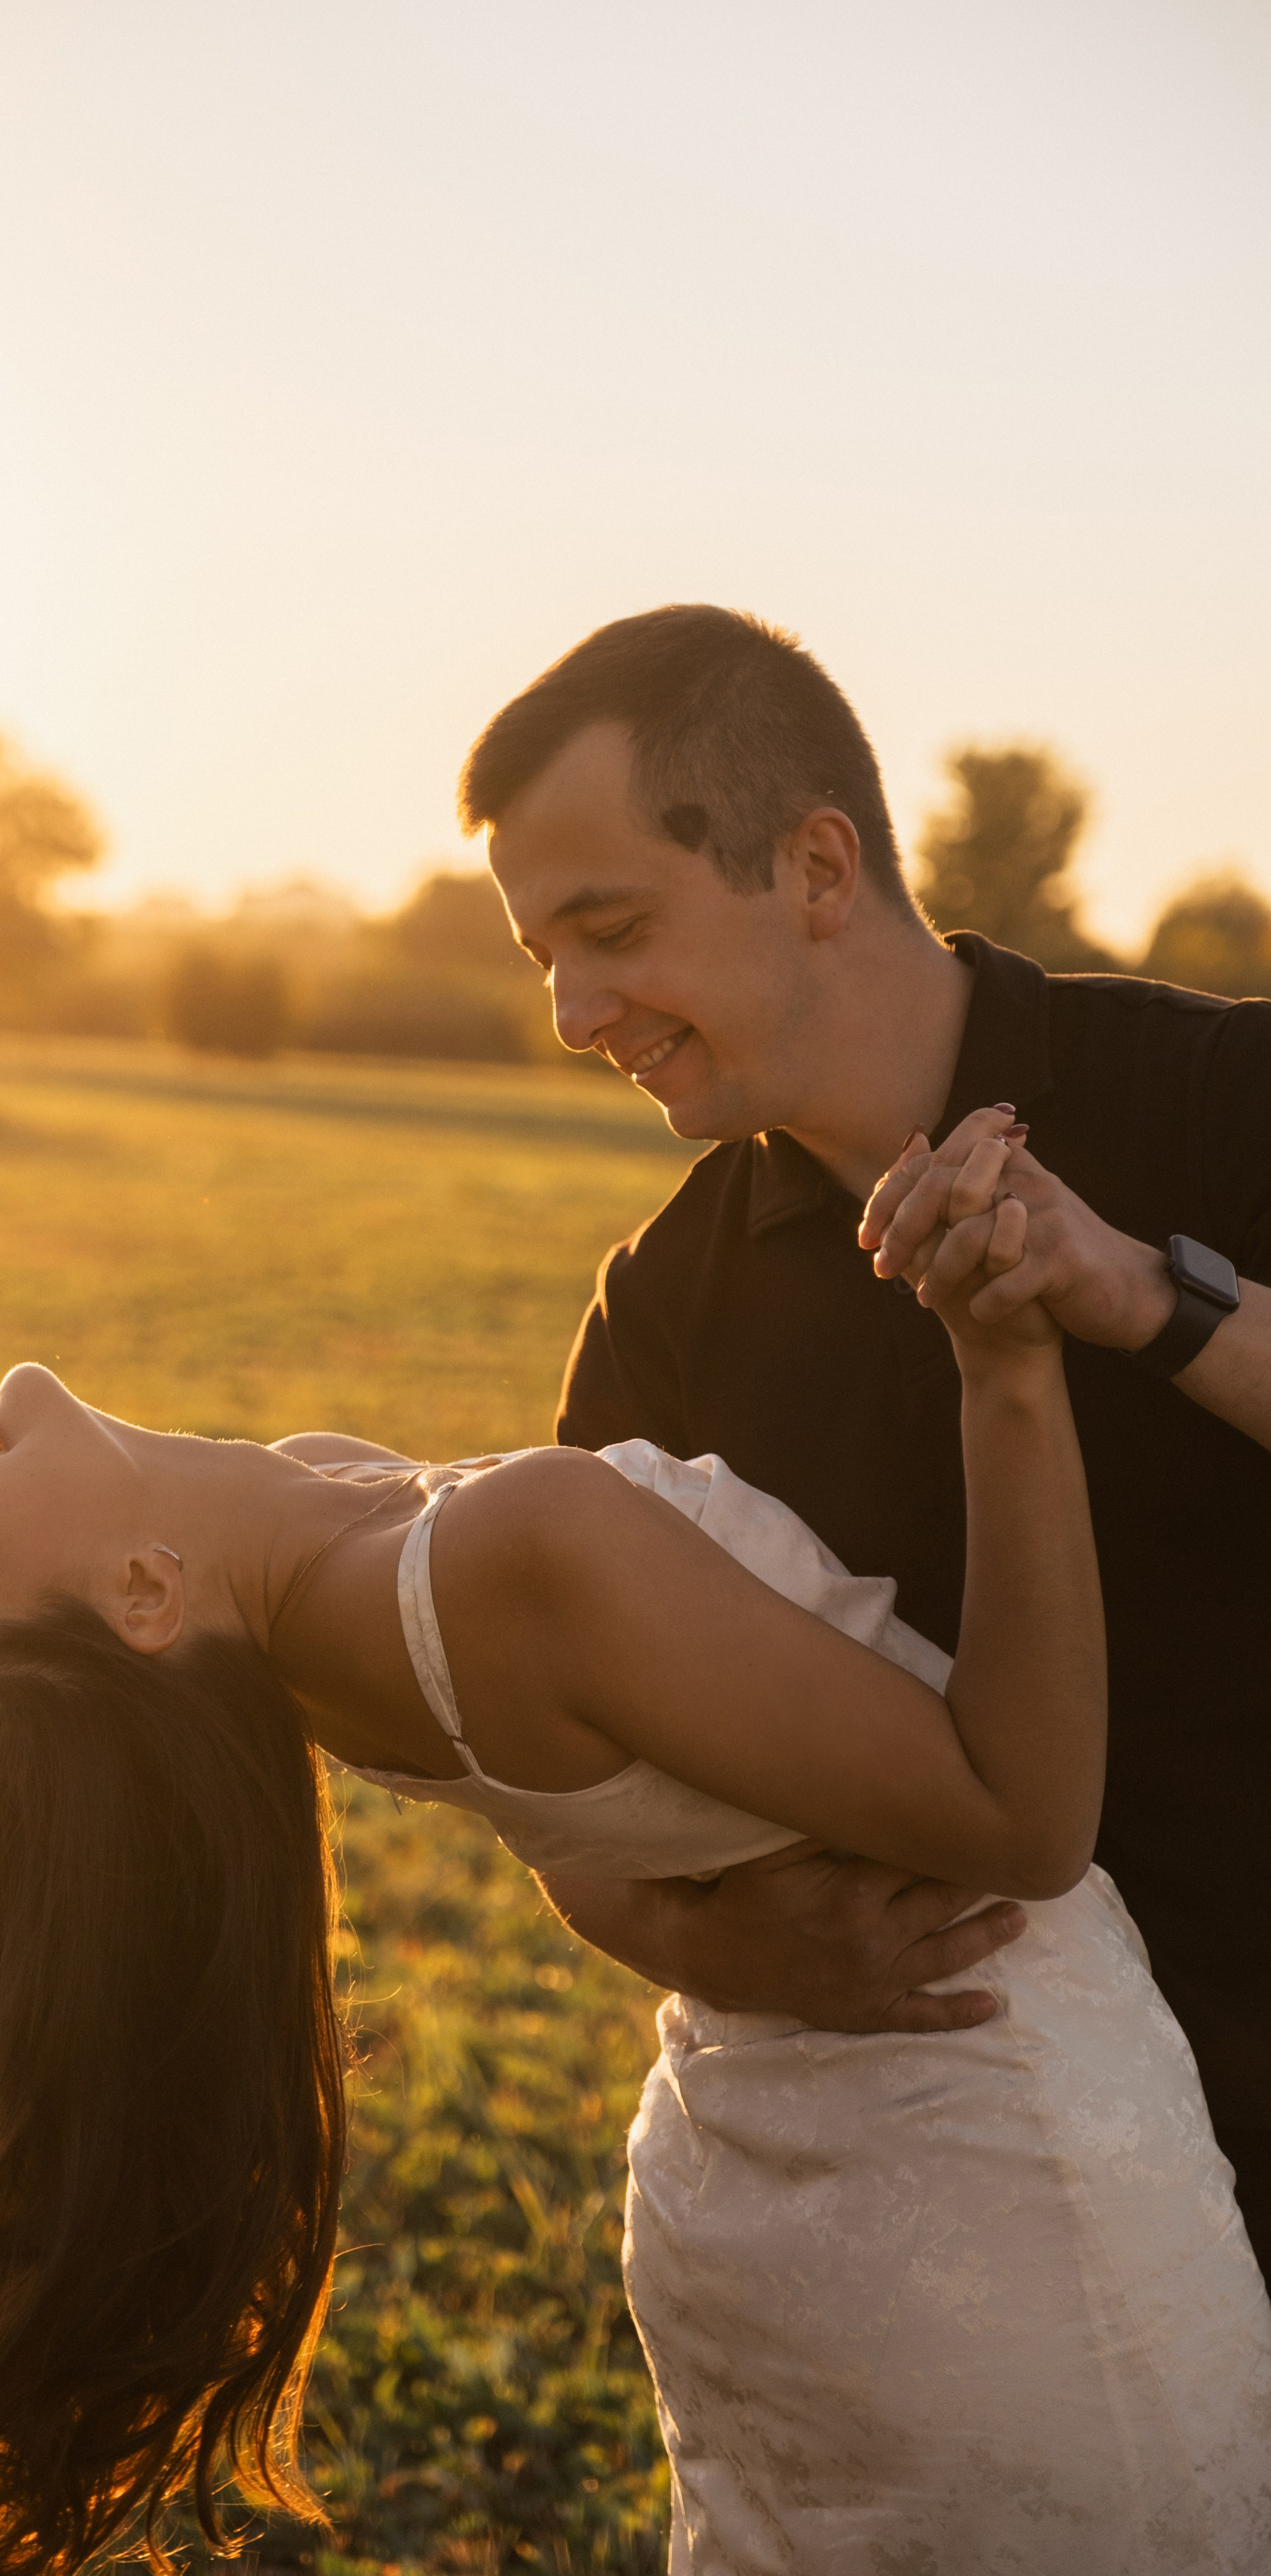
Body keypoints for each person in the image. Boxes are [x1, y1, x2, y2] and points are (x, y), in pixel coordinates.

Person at [0, 1181, 1271, 2573]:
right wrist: (1003, 1359)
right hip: (997, 2180)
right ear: (144, 1600)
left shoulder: (290, 1619)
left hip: (784, 2186)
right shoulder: (492, 1561)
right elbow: (1023, 1816)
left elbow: (579, 1811)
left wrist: (687, 1928)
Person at [463, 602, 1271, 2277]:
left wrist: (1138, 1294)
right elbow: (569, 1791)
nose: (571, 1010)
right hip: (984, 2214)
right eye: (544, 953)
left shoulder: (1215, 1090)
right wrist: (723, 1946)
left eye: (609, 928)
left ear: (816, 868)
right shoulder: (660, 1307)